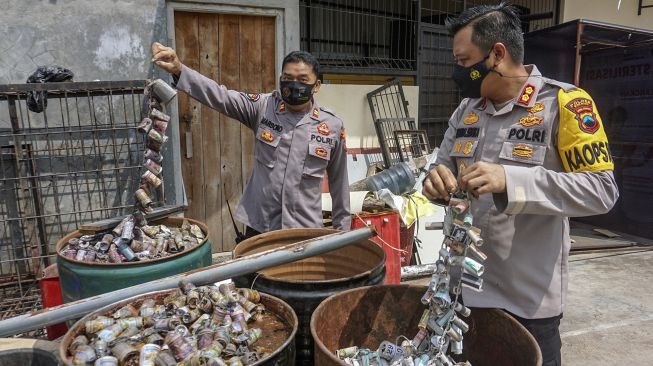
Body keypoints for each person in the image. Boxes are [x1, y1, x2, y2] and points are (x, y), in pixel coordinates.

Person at [422, 4, 618, 365]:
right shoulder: (466, 109)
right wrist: (435, 182)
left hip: (527, 304)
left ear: (497, 54)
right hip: (463, 296)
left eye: (464, 61)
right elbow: (440, 169)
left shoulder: (564, 104)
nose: (457, 72)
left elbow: (601, 190)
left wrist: (511, 180)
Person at [151, 43, 351, 239]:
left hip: (306, 231)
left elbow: (339, 183)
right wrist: (180, 70)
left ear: (316, 86)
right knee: (254, 273)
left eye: (302, 79)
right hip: (261, 226)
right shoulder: (263, 108)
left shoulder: (331, 126)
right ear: (280, 79)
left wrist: (342, 235)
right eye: (288, 78)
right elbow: (221, 96)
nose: (294, 84)